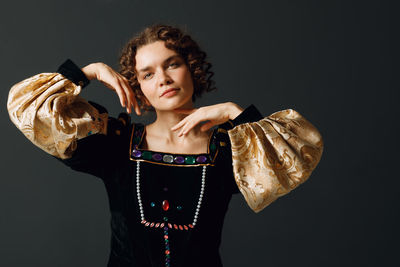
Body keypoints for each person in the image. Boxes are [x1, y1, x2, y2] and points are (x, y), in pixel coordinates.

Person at [7, 24, 324, 267]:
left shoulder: (230, 149)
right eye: (147, 73)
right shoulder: (116, 144)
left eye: (172, 64)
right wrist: (88, 72)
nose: (163, 78)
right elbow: (29, 111)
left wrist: (233, 112)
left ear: (192, 69)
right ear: (138, 88)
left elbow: (300, 150)